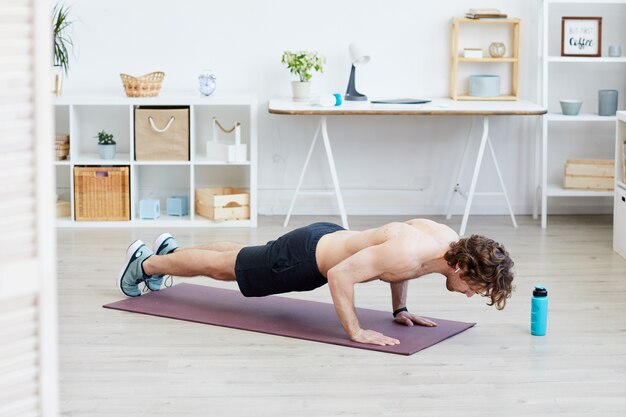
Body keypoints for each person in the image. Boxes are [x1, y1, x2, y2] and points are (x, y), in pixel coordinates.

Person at [117, 219, 514, 346]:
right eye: (475, 288)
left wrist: (400, 310)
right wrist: (356, 331)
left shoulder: (443, 243)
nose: (470, 295)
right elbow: (340, 275)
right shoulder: (411, 251)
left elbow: (404, 269)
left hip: (326, 237)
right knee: (226, 267)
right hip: (305, 259)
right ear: (463, 268)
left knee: (237, 255)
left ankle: (171, 251)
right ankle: (146, 265)